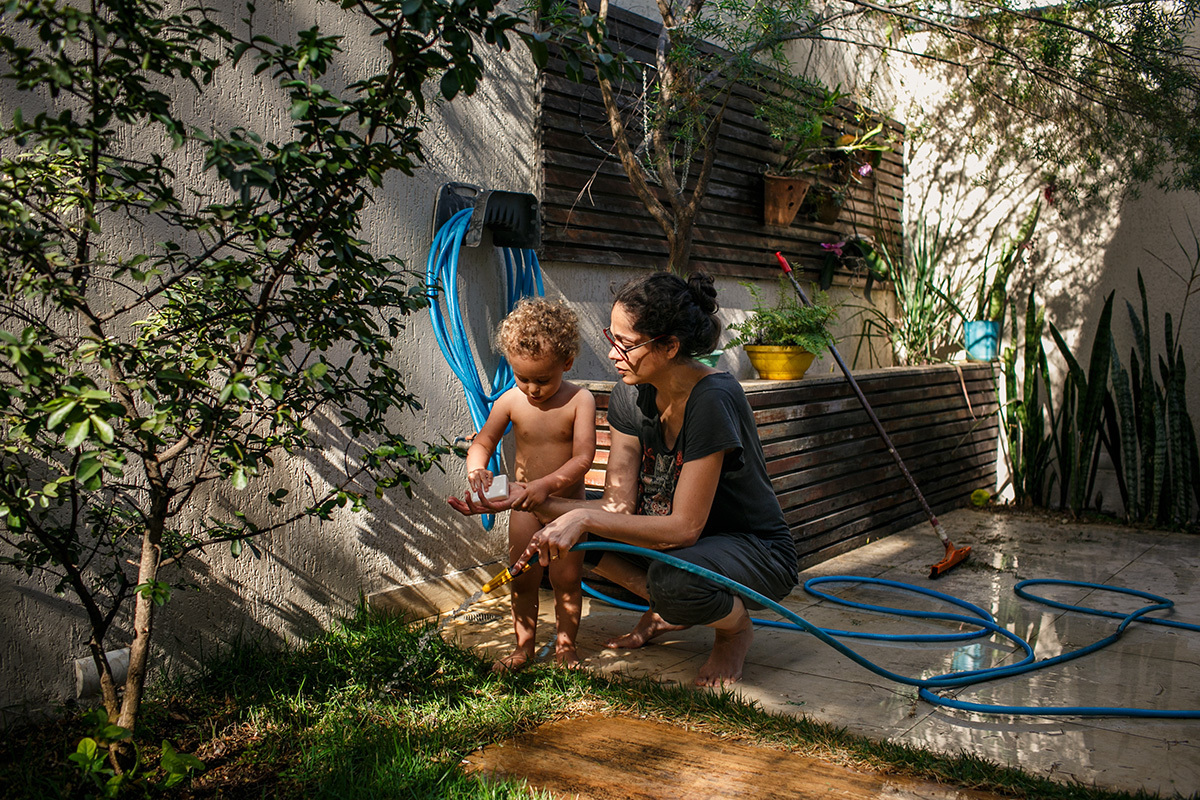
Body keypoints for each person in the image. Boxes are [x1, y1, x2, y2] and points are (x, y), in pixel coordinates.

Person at [454, 272, 798, 687]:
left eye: (626, 343)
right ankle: (672, 605)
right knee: (578, 540)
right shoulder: (630, 395)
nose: (612, 352)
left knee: (672, 578)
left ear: (670, 346)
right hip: (686, 546)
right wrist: (523, 498)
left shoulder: (712, 398)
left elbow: (684, 528)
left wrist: (580, 518)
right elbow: (617, 506)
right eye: (610, 335)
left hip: (749, 548)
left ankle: (732, 630)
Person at [451, 297, 596, 671]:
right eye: (523, 377)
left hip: (566, 509)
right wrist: (476, 470)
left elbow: (583, 458)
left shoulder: (580, 400)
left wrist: (546, 485)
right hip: (525, 510)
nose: (532, 388)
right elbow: (482, 442)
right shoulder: (511, 400)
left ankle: (566, 646)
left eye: (542, 379)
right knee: (523, 578)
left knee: (565, 579)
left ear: (566, 363)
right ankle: (523, 647)